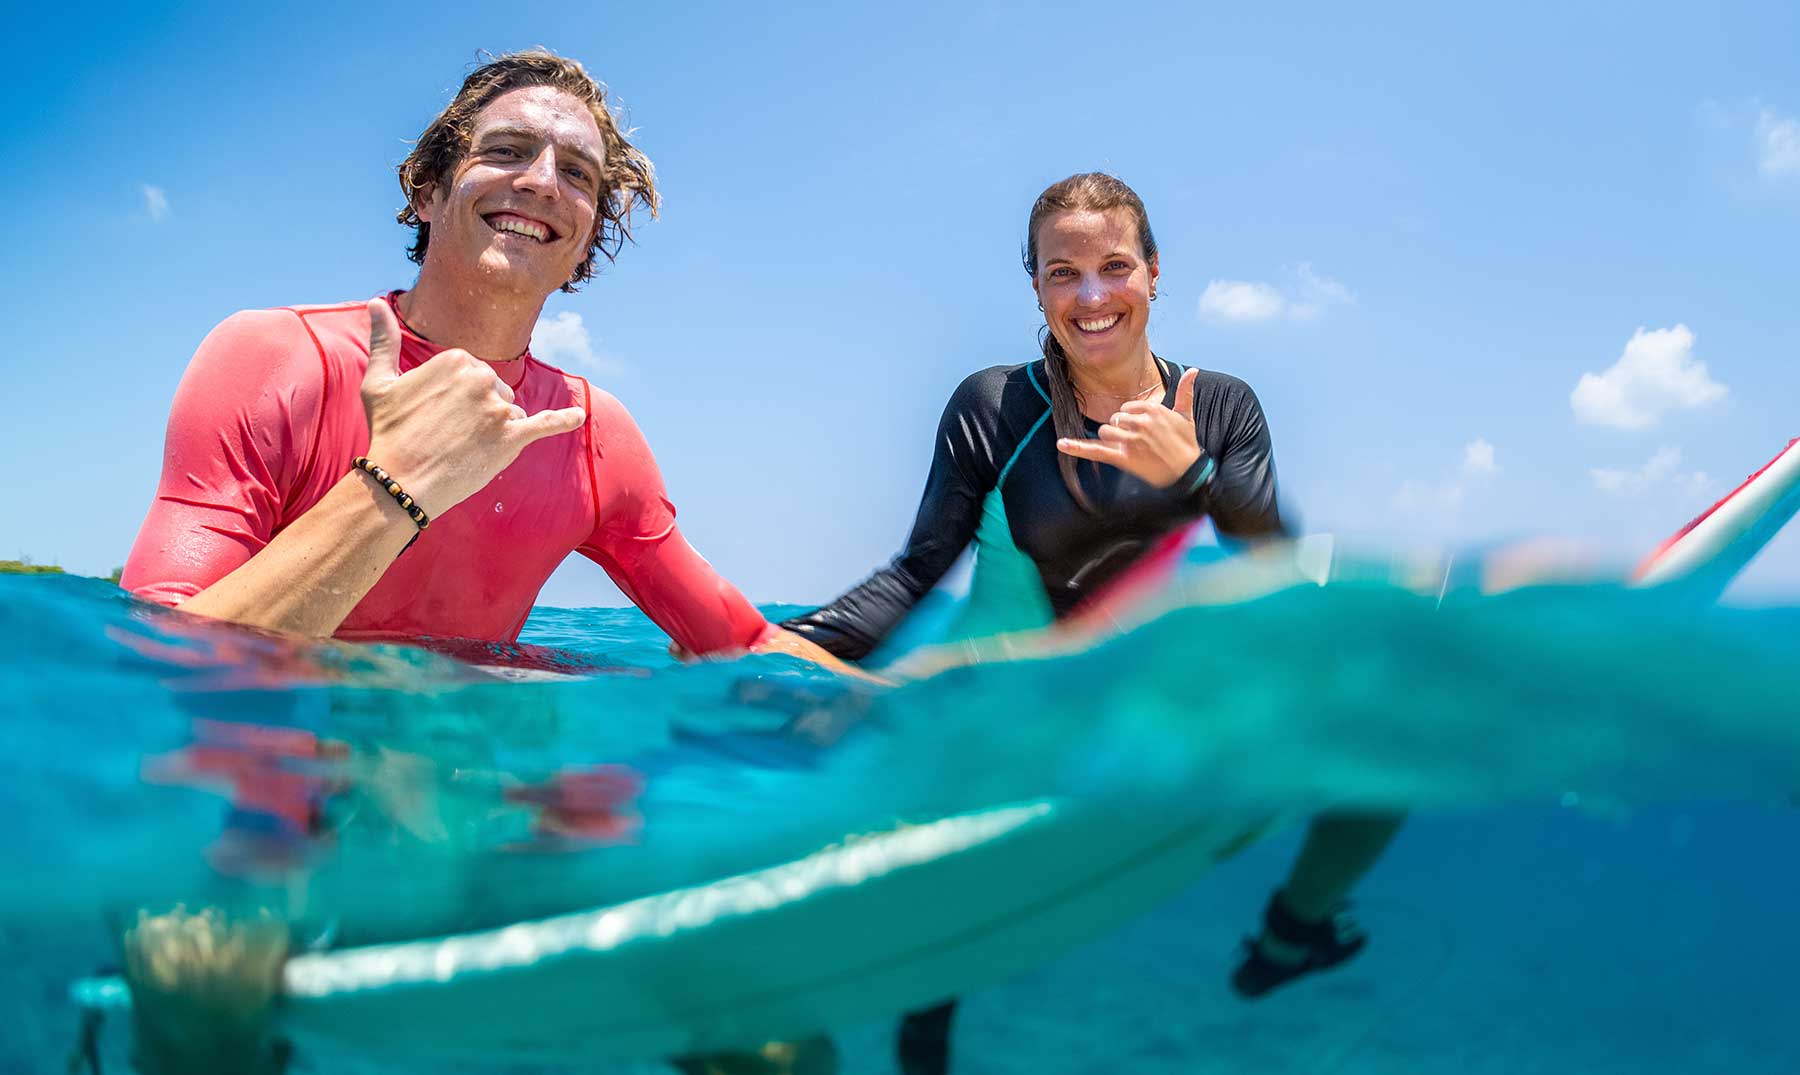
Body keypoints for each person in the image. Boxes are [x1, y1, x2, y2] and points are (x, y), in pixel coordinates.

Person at [116, 48, 845, 1075]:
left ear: (586, 236)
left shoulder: (589, 433)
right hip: (260, 769)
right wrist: (397, 482)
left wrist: (945, 708)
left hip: (460, 779)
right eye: (507, 150)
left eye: (578, 174)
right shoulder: (270, 358)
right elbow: (163, 665)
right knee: (197, 973)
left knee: (771, 1031)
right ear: (427, 187)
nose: (542, 181)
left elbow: (743, 641)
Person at [782, 172, 1402, 1075]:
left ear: (1154, 272)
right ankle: (929, 1018)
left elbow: (1280, 569)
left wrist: (1193, 478)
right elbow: (917, 571)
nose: (1092, 295)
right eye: (1062, 272)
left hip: (1174, 690)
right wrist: (783, 641)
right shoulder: (996, 406)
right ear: (1035, 286)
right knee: (953, 848)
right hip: (1040, 694)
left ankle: (1293, 930)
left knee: (1391, 734)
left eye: (1115, 266)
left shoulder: (1219, 405)